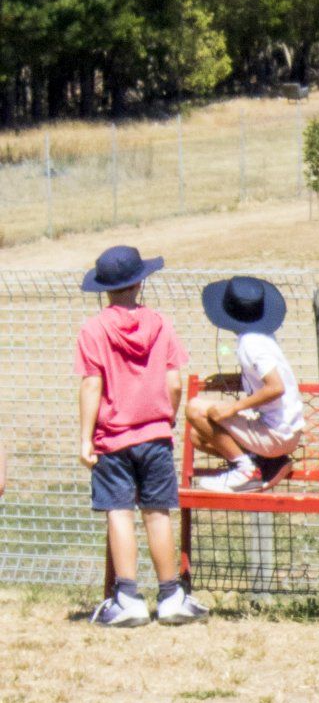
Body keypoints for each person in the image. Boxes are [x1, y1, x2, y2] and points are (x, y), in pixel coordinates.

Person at [75, 243, 207, 626]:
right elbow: (175, 383)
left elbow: (91, 386)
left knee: (119, 511)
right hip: (154, 435)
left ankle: (128, 597)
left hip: (112, 439)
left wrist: (86, 439)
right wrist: (163, 418)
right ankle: (170, 596)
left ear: (105, 288)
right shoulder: (161, 324)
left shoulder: (94, 329)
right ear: (139, 284)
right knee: (157, 513)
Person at [187, 274, 306, 491]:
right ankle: (266, 462)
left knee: (194, 408)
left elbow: (275, 387)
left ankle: (245, 470)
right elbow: (263, 381)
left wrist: (233, 408)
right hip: (284, 432)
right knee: (198, 436)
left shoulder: (251, 344)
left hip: (276, 434)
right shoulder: (263, 337)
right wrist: (231, 380)